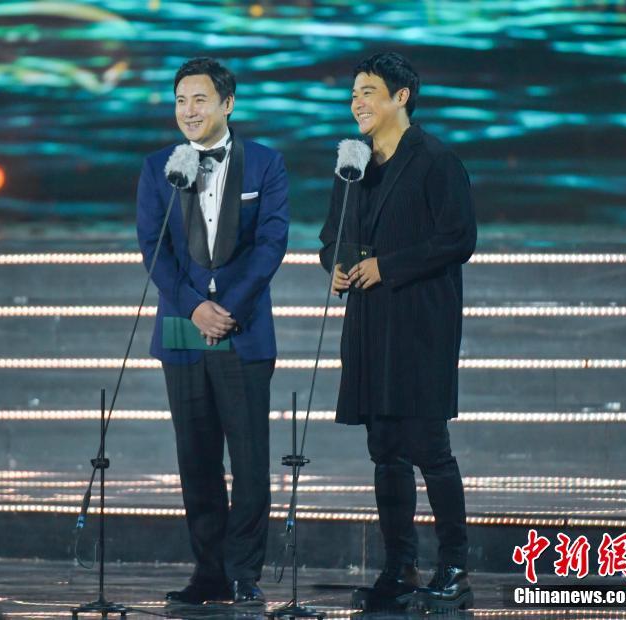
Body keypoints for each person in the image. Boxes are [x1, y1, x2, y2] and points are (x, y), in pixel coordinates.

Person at [319, 51, 477, 612]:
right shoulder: (353, 164)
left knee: (428, 448)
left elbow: (458, 238)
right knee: (385, 451)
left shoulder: (436, 160)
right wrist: (336, 266)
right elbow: (331, 237)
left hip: (419, 328)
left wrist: (387, 266)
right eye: (353, 94)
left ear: (400, 97)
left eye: (367, 92)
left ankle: (454, 567)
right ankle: (400, 564)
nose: (356, 103)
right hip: (368, 327)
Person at [136, 57, 289, 607]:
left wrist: (227, 309)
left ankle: (244, 572)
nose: (188, 111)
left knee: (248, 459)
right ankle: (209, 572)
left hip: (242, 327)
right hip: (182, 326)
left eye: (199, 99)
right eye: (181, 100)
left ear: (227, 103)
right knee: (196, 458)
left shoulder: (266, 163)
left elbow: (271, 244)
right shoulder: (159, 166)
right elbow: (153, 249)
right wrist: (194, 307)